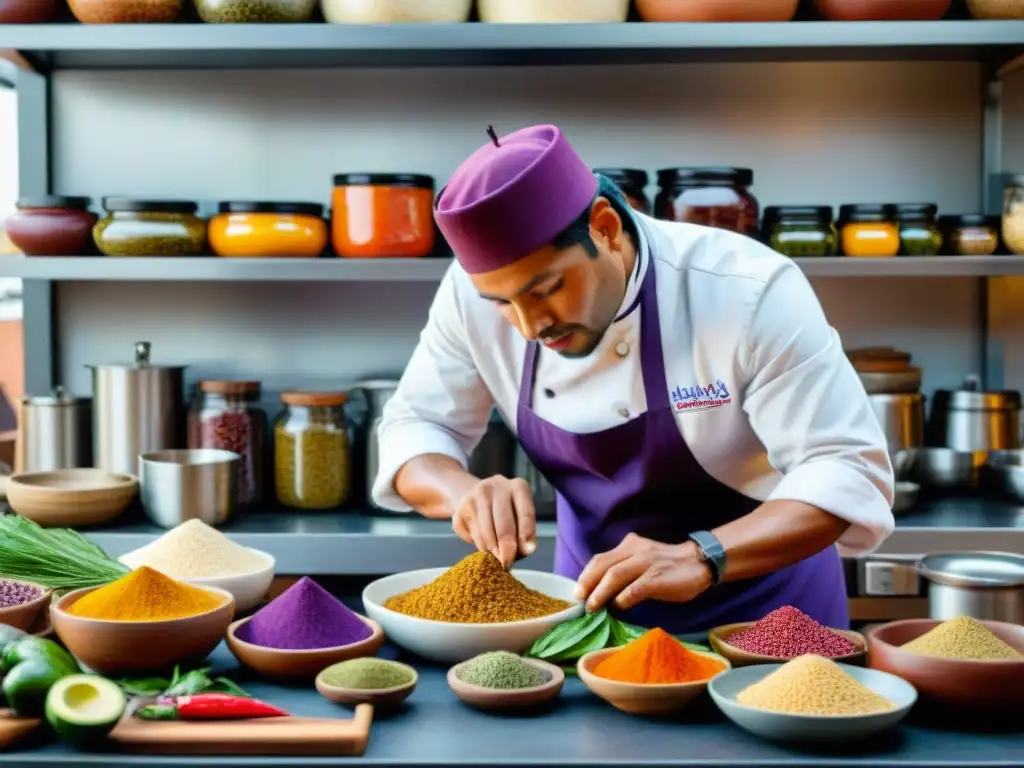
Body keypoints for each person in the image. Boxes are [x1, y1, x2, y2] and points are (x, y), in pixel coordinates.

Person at [370, 124, 895, 632]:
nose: (530, 326)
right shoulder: (471, 293)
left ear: (605, 226)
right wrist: (460, 491)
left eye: (547, 289)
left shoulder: (748, 291)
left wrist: (704, 555)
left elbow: (844, 468)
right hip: (592, 618)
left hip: (769, 618)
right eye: (501, 303)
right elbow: (416, 425)